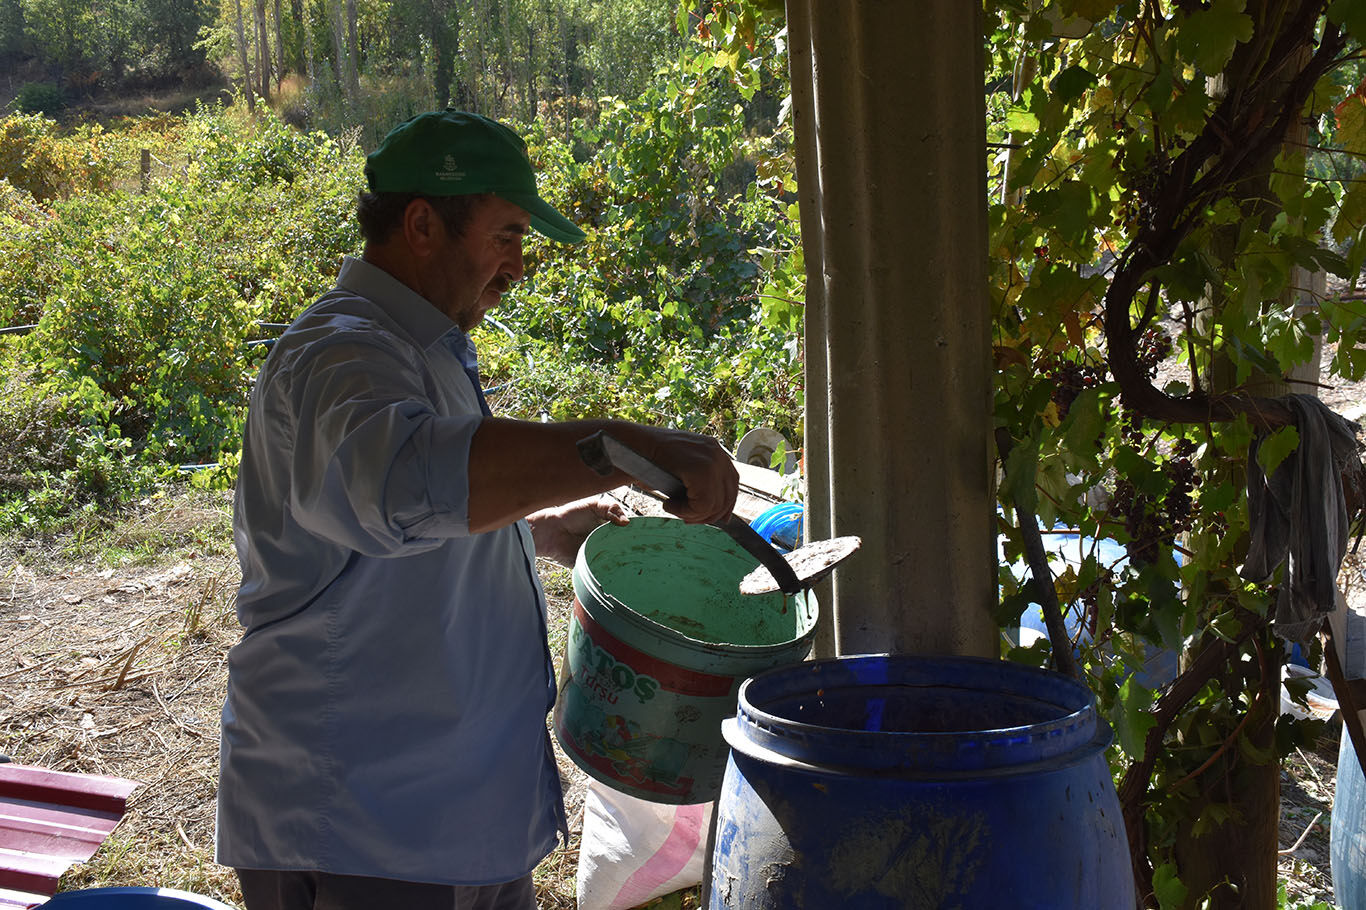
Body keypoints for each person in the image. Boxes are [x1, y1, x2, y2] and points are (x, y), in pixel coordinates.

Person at [215, 109, 739, 910]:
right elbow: (398, 484)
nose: (517, 266)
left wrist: (544, 528)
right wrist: (620, 444)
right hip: (363, 820)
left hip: (457, 812)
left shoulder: (416, 353)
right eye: (506, 234)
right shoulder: (341, 351)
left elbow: (413, 520)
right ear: (423, 225)